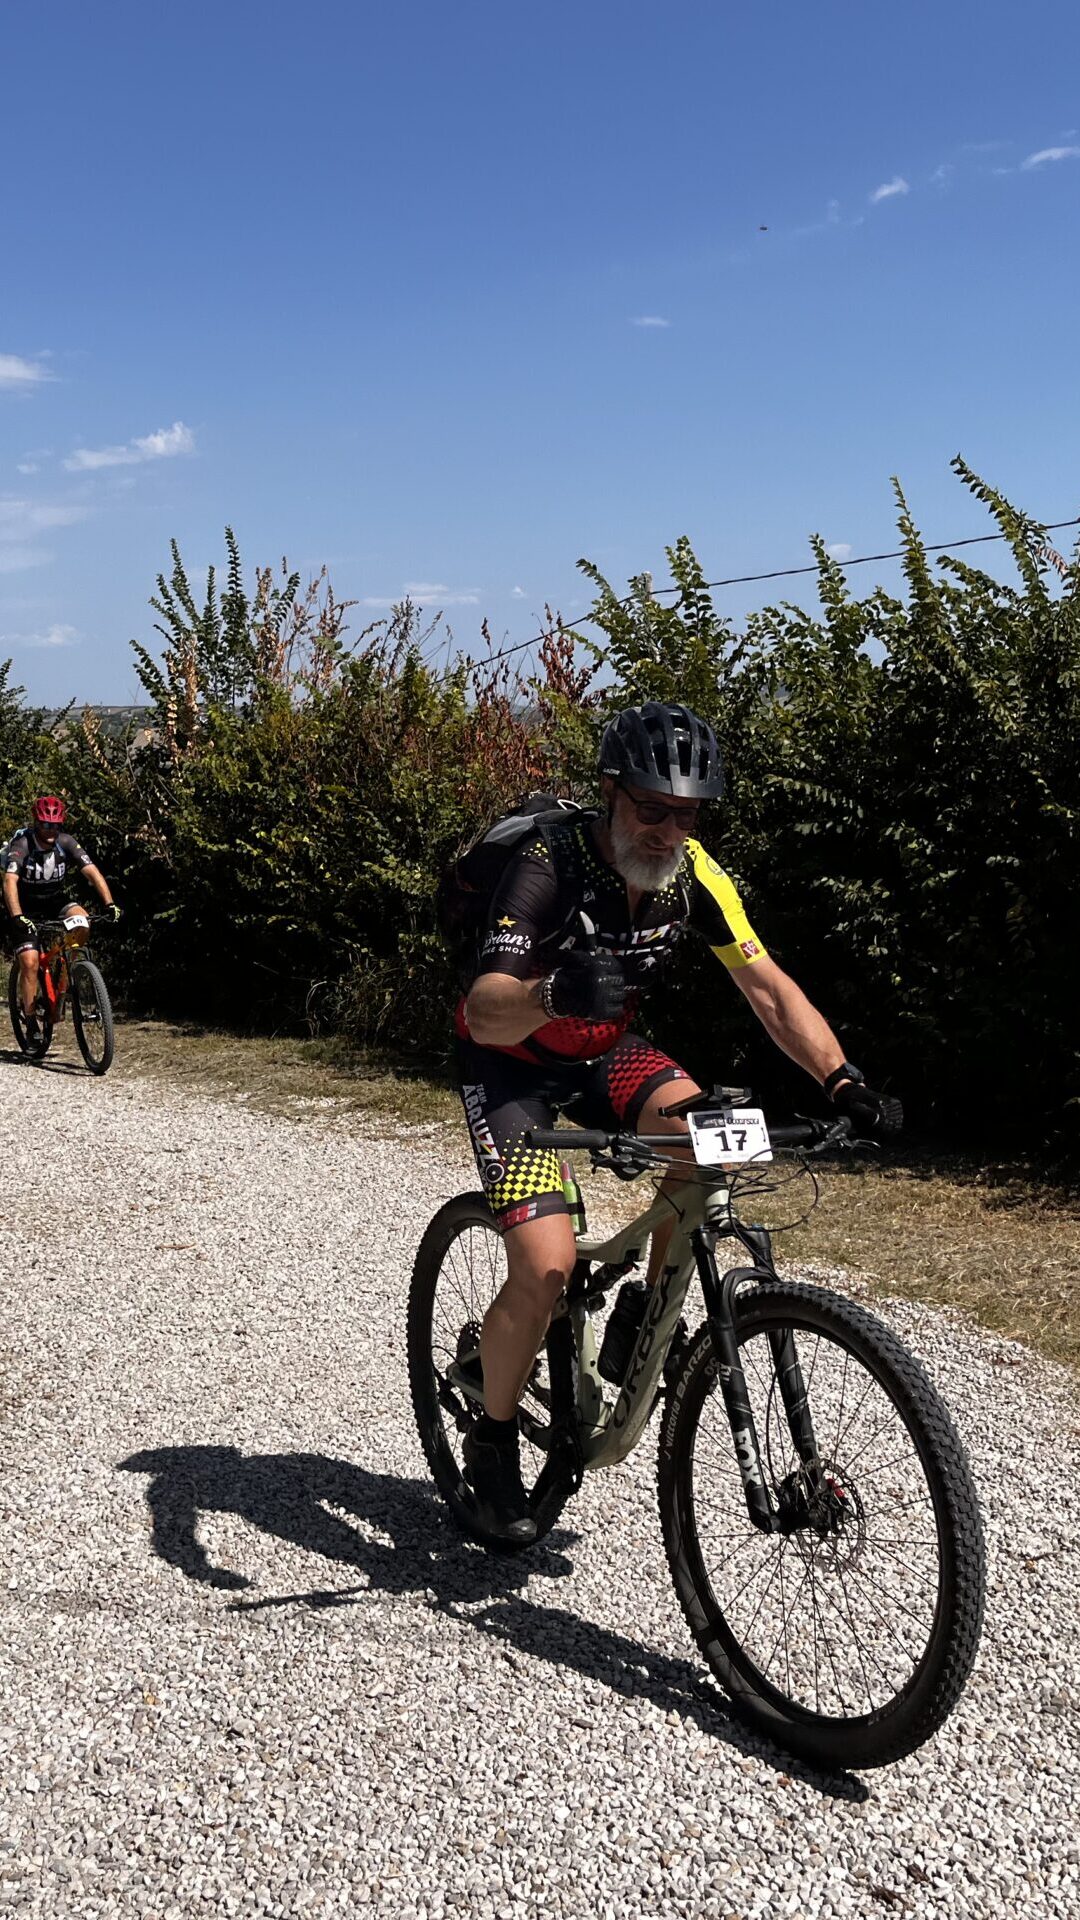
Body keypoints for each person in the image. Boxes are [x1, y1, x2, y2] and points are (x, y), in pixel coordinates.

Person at [455, 702, 901, 1541]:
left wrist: (842, 1080)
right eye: (651, 809)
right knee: (546, 1265)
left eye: (686, 815)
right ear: (610, 793)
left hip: (603, 1053)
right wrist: (552, 993)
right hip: (508, 1063)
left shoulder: (694, 874)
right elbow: (484, 1010)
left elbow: (767, 987)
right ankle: (494, 1436)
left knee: (712, 1138)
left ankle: (644, 1315)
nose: (667, 832)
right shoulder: (550, 864)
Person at [3, 796, 120, 1042]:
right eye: (46, 825)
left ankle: (67, 970)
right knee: (30, 962)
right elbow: (10, 881)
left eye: (55, 825)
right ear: (36, 823)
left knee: (83, 922)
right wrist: (17, 916)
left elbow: (92, 872)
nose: (51, 830)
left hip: (55, 901)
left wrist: (109, 903)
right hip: (25, 906)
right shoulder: (23, 844)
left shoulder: (66, 842)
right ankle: (31, 1020)